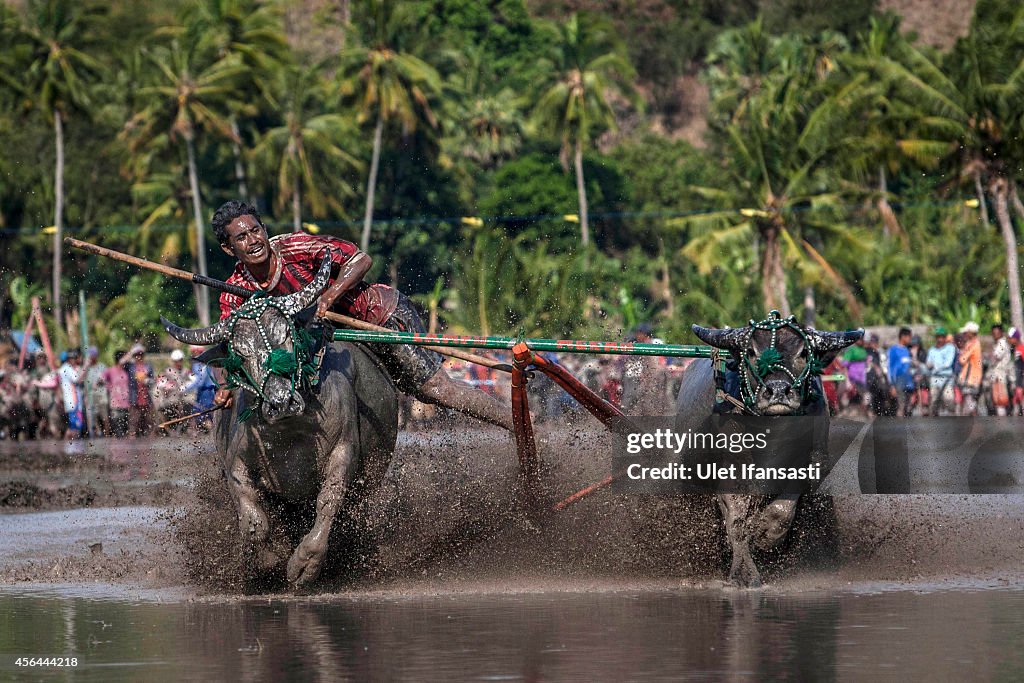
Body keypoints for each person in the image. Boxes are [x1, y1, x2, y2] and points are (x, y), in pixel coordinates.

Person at [211, 200, 513, 431]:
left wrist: (327, 297)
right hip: (335, 345)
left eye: (256, 231)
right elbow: (229, 345)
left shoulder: (294, 246)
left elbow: (360, 259)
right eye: (242, 238)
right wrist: (223, 386)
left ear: (264, 230)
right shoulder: (234, 291)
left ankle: (515, 423)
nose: (253, 241)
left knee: (433, 390)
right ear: (228, 248)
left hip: (377, 319)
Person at [184, 344, 218, 431]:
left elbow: (199, 381)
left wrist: (185, 389)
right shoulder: (202, 363)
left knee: (204, 413)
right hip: (204, 391)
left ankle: (211, 433)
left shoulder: (202, 364)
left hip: (207, 392)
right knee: (201, 413)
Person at [124, 344, 154, 437]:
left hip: (146, 397)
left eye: (141, 354)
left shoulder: (148, 366)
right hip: (134, 398)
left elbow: (153, 380)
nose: (139, 356)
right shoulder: (130, 367)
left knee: (149, 421)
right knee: (133, 421)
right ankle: (132, 441)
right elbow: (121, 362)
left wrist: (147, 381)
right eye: (137, 354)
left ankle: (150, 442)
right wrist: (130, 352)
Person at [926, 327, 956, 416]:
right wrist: (929, 365)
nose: (940, 339)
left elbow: (947, 363)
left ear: (945, 338)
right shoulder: (932, 350)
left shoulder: (950, 348)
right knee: (933, 401)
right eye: (938, 337)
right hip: (935, 378)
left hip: (946, 378)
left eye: (942, 337)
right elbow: (928, 363)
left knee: (949, 399)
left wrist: (934, 366)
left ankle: (952, 421)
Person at [986, 324, 1014, 416]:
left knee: (1000, 401)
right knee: (998, 401)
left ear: (1001, 333)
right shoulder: (998, 343)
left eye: (997, 333)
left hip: (1000, 376)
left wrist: (989, 356)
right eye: (993, 333)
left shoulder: (1002, 343)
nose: (995, 335)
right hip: (998, 376)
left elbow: (996, 357)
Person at [887, 328, 916, 417]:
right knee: (901, 406)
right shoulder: (894, 350)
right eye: (909, 337)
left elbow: (911, 365)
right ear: (903, 337)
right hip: (899, 381)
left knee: (909, 406)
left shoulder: (908, 350)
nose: (910, 339)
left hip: (909, 381)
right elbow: (890, 367)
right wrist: (892, 385)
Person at [103, 349, 131, 437]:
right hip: (115, 405)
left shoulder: (127, 370)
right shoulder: (110, 371)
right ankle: (118, 450)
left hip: (126, 404)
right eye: (125, 357)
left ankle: (124, 450)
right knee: (118, 430)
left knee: (125, 429)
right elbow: (100, 380)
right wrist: (108, 386)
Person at [57, 349, 83, 439]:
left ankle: (66, 448)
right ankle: (72, 449)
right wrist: (86, 367)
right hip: (73, 400)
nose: (75, 360)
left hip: (68, 400)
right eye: (73, 358)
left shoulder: (60, 370)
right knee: (76, 426)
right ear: (69, 359)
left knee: (72, 426)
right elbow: (78, 380)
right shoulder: (68, 369)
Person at [958, 322, 982, 416]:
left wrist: (962, 352)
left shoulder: (974, 345)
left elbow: (962, 360)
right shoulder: (970, 344)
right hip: (969, 379)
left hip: (972, 379)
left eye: (965, 333)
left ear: (971, 333)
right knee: (969, 405)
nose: (964, 335)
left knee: (970, 406)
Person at [83, 346, 109, 437]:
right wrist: (85, 366)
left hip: (101, 395)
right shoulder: (86, 368)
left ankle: (107, 435)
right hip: (90, 396)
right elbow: (82, 380)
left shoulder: (102, 366)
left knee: (104, 417)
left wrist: (100, 381)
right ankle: (96, 434)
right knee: (92, 418)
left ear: (96, 356)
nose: (92, 357)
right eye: (90, 356)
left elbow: (106, 379)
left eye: (93, 355)